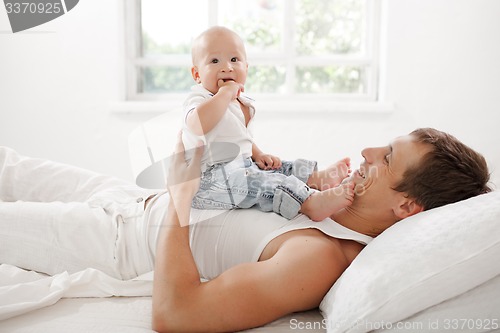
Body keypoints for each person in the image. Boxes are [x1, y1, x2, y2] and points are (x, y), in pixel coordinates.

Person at [0, 128, 491, 332]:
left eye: (386, 160)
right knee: (9, 165)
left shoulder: (318, 257)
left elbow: (176, 314)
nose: (366, 154)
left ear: (406, 206)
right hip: (127, 197)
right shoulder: (327, 204)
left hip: (116, 240)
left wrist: (179, 200)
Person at [182, 26, 354, 222]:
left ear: (246, 68)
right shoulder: (200, 98)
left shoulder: (240, 102)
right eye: (214, 61)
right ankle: (309, 203)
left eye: (234, 60)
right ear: (196, 75)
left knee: (277, 169)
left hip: (242, 166)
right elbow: (196, 125)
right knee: (265, 182)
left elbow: (239, 138)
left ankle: (317, 178)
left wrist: (258, 154)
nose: (227, 67)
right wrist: (225, 94)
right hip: (209, 181)